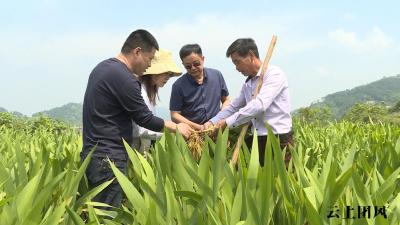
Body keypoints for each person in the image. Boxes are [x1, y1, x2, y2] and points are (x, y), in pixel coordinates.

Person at [80, 29, 193, 208]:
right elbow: (144, 118)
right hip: (109, 158)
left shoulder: (103, 68)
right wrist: (176, 127)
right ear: (137, 52)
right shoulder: (125, 78)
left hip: (95, 154)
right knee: (108, 214)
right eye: (149, 59)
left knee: (100, 211)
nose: (149, 66)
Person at [205, 38, 294, 166]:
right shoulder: (248, 83)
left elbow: (259, 105)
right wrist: (211, 122)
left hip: (279, 138)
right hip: (258, 138)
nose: (236, 68)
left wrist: (227, 122)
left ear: (251, 56)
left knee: (283, 181)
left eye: (237, 62)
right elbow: (233, 107)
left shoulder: (273, 74)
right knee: (251, 180)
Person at [170, 44, 230, 130]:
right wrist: (199, 127)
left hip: (217, 129)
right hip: (193, 134)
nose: (193, 68)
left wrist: (219, 118)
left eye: (196, 64)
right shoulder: (178, 85)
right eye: (188, 66)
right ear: (183, 64)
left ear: (203, 59)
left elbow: (226, 100)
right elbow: (174, 115)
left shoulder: (217, 75)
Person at [132, 49, 182, 153]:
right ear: (153, 72)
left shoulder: (149, 93)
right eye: (166, 73)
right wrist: (172, 134)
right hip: (135, 149)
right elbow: (140, 130)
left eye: (170, 74)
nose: (168, 77)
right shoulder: (140, 92)